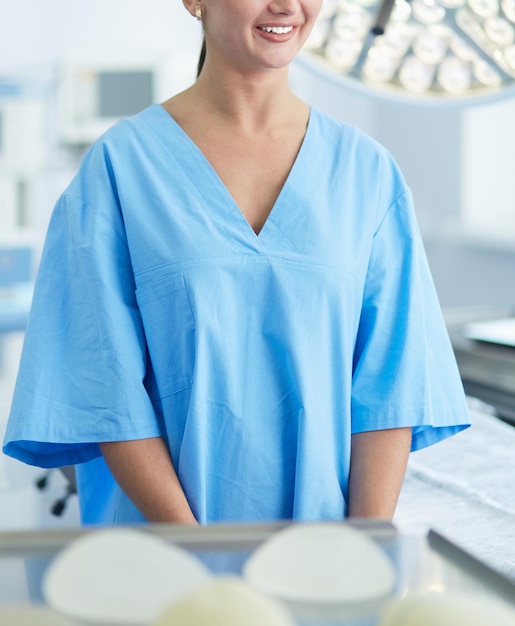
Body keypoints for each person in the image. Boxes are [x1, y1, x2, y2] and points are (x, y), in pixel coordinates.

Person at [3, 0, 470, 526]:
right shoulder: (120, 169)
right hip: (166, 565)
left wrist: (362, 552)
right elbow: (104, 391)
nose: (287, 6)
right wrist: (203, 561)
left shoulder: (366, 173)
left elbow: (390, 388)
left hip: (322, 568)